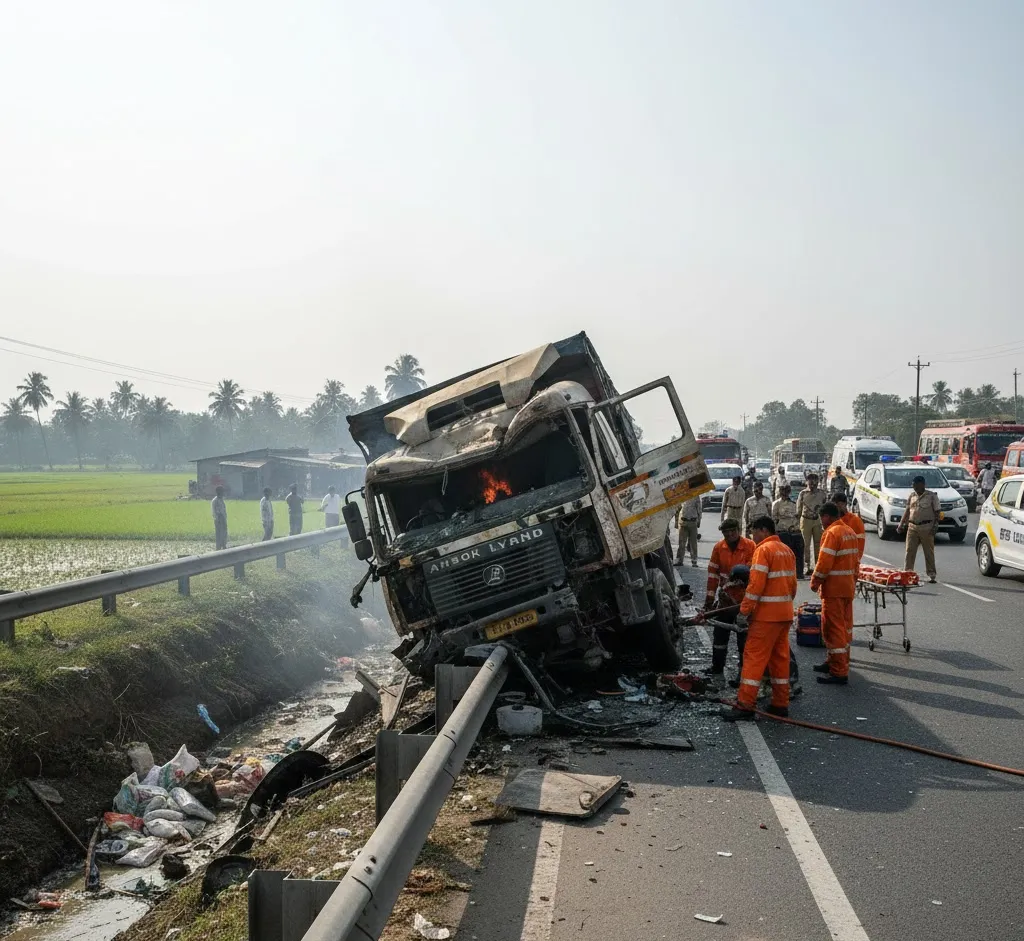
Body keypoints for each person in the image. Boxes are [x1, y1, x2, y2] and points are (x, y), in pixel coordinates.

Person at [720, 516, 798, 720]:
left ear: (763, 530)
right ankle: (780, 704)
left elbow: (755, 586)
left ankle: (745, 705)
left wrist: (744, 612)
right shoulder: (786, 550)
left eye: (753, 531)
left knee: (754, 658)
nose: (752, 536)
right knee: (779, 660)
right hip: (784, 614)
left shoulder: (763, 550)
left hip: (766, 617)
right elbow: (793, 585)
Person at [810, 502, 858, 685]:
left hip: (834, 590)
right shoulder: (849, 532)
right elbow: (856, 563)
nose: (821, 523)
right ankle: (835, 662)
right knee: (843, 628)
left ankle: (839, 672)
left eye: (821, 518)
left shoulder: (832, 533)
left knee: (833, 629)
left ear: (826, 516)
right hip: (847, 588)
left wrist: (815, 582)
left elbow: (824, 563)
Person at [705, 519, 756, 679]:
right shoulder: (719, 548)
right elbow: (713, 575)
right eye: (726, 532)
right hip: (725, 600)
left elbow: (752, 572)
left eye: (732, 531)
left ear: (738, 530)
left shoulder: (750, 546)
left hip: (743, 601)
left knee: (743, 638)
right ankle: (717, 667)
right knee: (720, 635)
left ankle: (743, 673)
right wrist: (709, 600)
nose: (730, 534)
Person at [898, 474, 940, 583]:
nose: (914, 487)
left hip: (926, 527)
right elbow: (907, 510)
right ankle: (907, 573)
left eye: (916, 485)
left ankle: (931, 574)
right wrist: (901, 524)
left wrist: (935, 526)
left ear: (922, 484)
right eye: (913, 485)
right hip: (912, 527)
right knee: (909, 551)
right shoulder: (912, 496)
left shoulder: (931, 496)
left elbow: (937, 512)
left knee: (928, 552)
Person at [795, 472, 827, 572]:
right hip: (806, 520)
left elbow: (825, 508)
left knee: (818, 544)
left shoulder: (822, 494)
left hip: (817, 521)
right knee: (805, 544)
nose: (812, 484)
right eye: (810, 482)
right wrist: (797, 523)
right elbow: (798, 510)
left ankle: (818, 565)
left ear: (818, 482)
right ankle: (807, 566)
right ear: (807, 482)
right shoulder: (803, 493)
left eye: (815, 481)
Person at [772, 482, 805, 578]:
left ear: (789, 492)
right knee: (783, 555)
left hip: (794, 531)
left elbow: (797, 517)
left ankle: (799, 573)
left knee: (798, 553)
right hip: (782, 532)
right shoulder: (776, 504)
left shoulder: (794, 504)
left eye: (786, 491)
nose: (784, 493)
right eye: (782, 490)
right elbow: (774, 519)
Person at [832, 491, 865, 575]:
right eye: (834, 506)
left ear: (845, 504)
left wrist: (856, 561)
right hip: (835, 565)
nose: (837, 508)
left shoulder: (856, 521)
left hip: (850, 564)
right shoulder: (832, 521)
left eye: (839, 505)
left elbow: (860, 544)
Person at [674, 495, 702, 566]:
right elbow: (677, 509)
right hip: (683, 522)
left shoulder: (696, 495)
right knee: (681, 543)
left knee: (693, 543)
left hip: (693, 522)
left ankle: (694, 561)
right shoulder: (681, 494)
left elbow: (699, 509)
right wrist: (676, 522)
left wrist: (699, 521)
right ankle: (679, 560)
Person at [211, 486, 228, 550]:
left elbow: (224, 510)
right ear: (218, 492)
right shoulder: (214, 501)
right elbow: (214, 511)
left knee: (224, 532)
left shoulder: (221, 500)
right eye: (222, 491)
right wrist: (217, 519)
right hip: (218, 519)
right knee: (219, 534)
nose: (223, 493)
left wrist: (225, 517)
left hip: (223, 518)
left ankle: (224, 545)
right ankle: (218, 547)